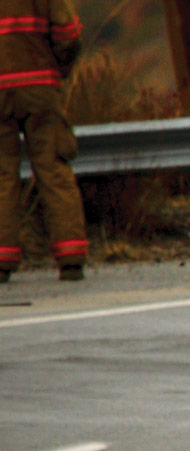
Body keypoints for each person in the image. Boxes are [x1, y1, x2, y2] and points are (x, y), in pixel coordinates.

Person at [0, 0, 84, 282]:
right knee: (53, 168)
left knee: (2, 175)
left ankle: (2, 259)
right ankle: (70, 257)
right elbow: (68, 34)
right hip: (41, 87)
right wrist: (60, 68)